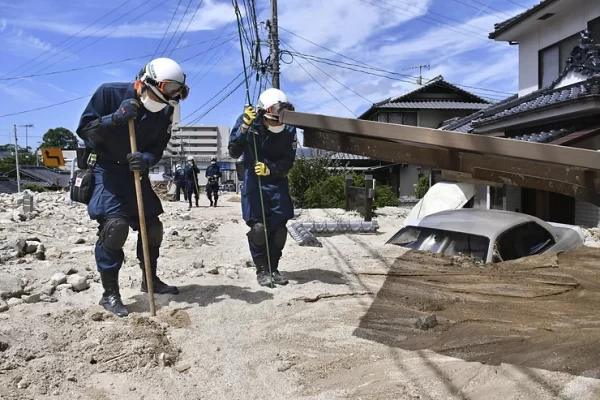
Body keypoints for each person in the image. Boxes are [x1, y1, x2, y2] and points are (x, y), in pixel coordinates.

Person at [76, 57, 189, 317]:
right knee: (115, 228)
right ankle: (110, 294)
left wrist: (147, 159)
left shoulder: (165, 110)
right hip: (106, 171)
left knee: (153, 228)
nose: (161, 105)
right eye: (159, 98)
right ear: (143, 83)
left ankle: (150, 280)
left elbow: (158, 146)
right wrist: (114, 119)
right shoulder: (109, 93)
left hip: (136, 173)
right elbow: (84, 131)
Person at [228, 88, 297, 287]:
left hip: (277, 181)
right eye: (273, 120)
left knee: (279, 229)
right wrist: (243, 128)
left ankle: (273, 267)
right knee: (259, 228)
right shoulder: (247, 121)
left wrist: (271, 169)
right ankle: (262, 270)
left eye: (280, 120)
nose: (277, 124)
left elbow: (288, 160)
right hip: (253, 182)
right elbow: (233, 151)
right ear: (262, 114)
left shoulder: (290, 128)